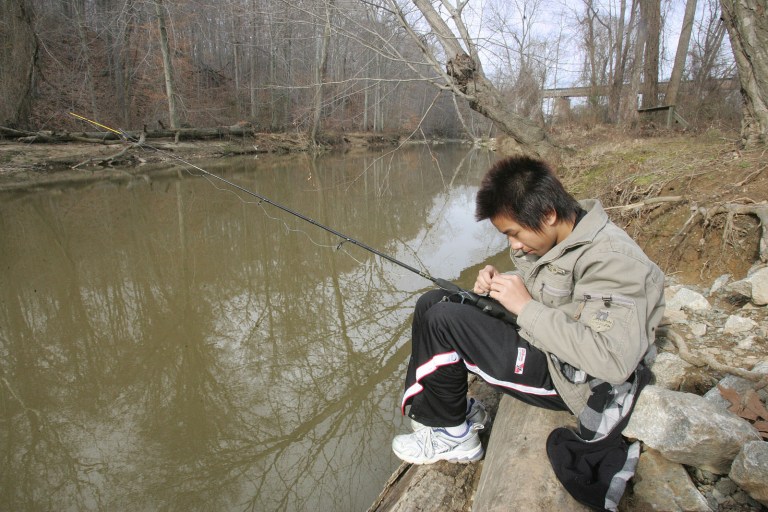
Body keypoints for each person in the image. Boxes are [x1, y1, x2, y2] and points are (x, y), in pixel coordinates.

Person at [392, 155, 665, 468]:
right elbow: (560, 291)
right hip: (548, 341)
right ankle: (451, 413)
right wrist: (504, 284)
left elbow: (613, 362)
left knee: (444, 321)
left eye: (515, 233)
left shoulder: (614, 260)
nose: (514, 245)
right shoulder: (566, 233)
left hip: (572, 380)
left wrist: (523, 306)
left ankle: (454, 439)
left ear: (548, 214)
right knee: (436, 301)